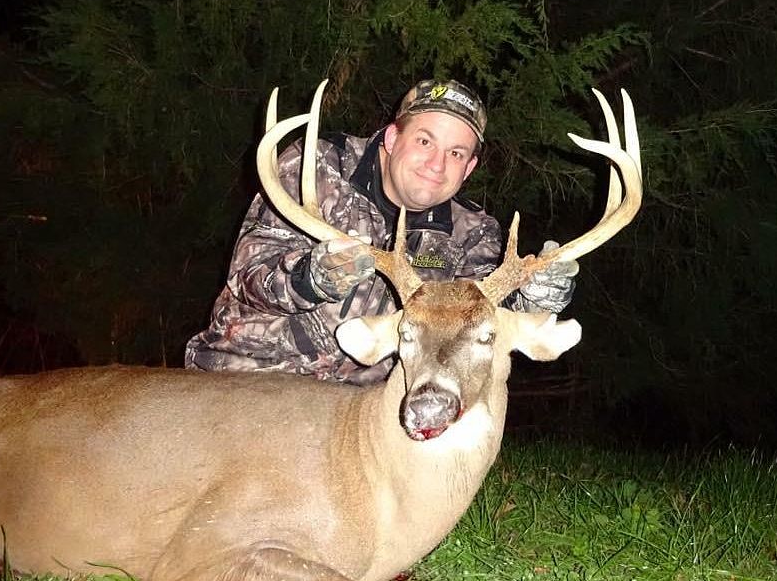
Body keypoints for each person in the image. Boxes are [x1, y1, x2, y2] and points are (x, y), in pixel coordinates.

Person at [185, 79, 578, 384]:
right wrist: (309, 278)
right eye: (425, 141)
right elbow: (245, 276)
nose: (437, 164)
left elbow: (479, 320)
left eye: (456, 153)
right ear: (392, 137)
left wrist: (533, 297)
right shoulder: (317, 169)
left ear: (469, 168)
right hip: (248, 375)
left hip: (359, 412)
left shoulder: (472, 233)